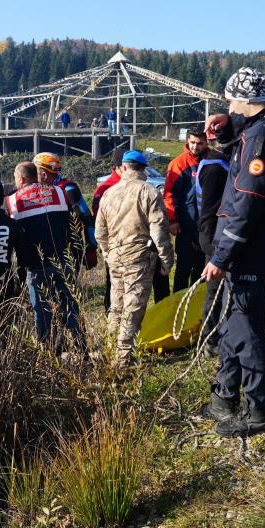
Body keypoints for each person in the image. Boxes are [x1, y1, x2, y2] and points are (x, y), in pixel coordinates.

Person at [201, 67, 265, 437]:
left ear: (244, 99)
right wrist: (226, 128)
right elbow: (242, 144)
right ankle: (225, 395)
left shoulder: (262, 139)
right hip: (251, 246)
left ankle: (258, 410)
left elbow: (247, 200)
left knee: (246, 330)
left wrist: (222, 255)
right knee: (232, 326)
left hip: (249, 249)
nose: (228, 104)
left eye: (230, 100)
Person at [95, 150, 175, 366]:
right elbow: (159, 230)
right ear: (144, 169)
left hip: (115, 255)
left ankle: (110, 348)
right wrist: (167, 260)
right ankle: (122, 359)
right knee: (134, 306)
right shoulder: (148, 192)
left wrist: (107, 252)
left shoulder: (109, 193)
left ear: (124, 167)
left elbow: (99, 232)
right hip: (138, 256)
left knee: (117, 304)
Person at [5, 162, 83, 349]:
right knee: (70, 306)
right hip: (63, 260)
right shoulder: (58, 192)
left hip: (36, 265)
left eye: (16, 179)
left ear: (22, 179)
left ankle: (48, 354)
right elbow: (74, 220)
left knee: (41, 310)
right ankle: (82, 348)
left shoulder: (13, 201)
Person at [33, 152, 98, 273]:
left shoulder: (68, 189)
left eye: (35, 172)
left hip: (70, 250)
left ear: (43, 174)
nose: (33, 176)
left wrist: (91, 250)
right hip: (46, 251)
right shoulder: (37, 190)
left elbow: (87, 219)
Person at [196, 136, 231, 357]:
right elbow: (209, 208)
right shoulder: (216, 168)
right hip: (214, 236)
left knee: (219, 290)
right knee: (215, 291)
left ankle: (217, 334)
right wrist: (210, 244)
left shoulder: (213, 163)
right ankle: (209, 339)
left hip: (214, 233)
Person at [163, 128, 208, 292]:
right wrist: (172, 220)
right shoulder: (178, 163)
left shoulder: (213, 160)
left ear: (206, 142)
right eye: (193, 142)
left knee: (202, 268)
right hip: (185, 225)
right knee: (183, 268)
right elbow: (168, 194)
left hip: (206, 226)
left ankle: (198, 305)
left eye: (200, 143)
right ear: (187, 141)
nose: (195, 147)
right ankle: (178, 303)